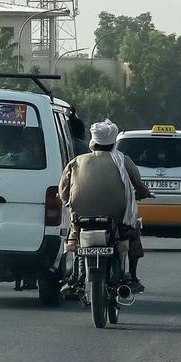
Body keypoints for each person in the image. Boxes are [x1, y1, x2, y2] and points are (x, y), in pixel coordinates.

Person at [59, 119, 151, 293]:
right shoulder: (123, 161)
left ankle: (75, 278)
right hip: (116, 217)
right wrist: (143, 193)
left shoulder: (77, 161)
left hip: (81, 217)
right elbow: (139, 185)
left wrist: (66, 200)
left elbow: (64, 191)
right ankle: (132, 277)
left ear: (93, 142)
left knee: (75, 236)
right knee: (132, 232)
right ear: (113, 143)